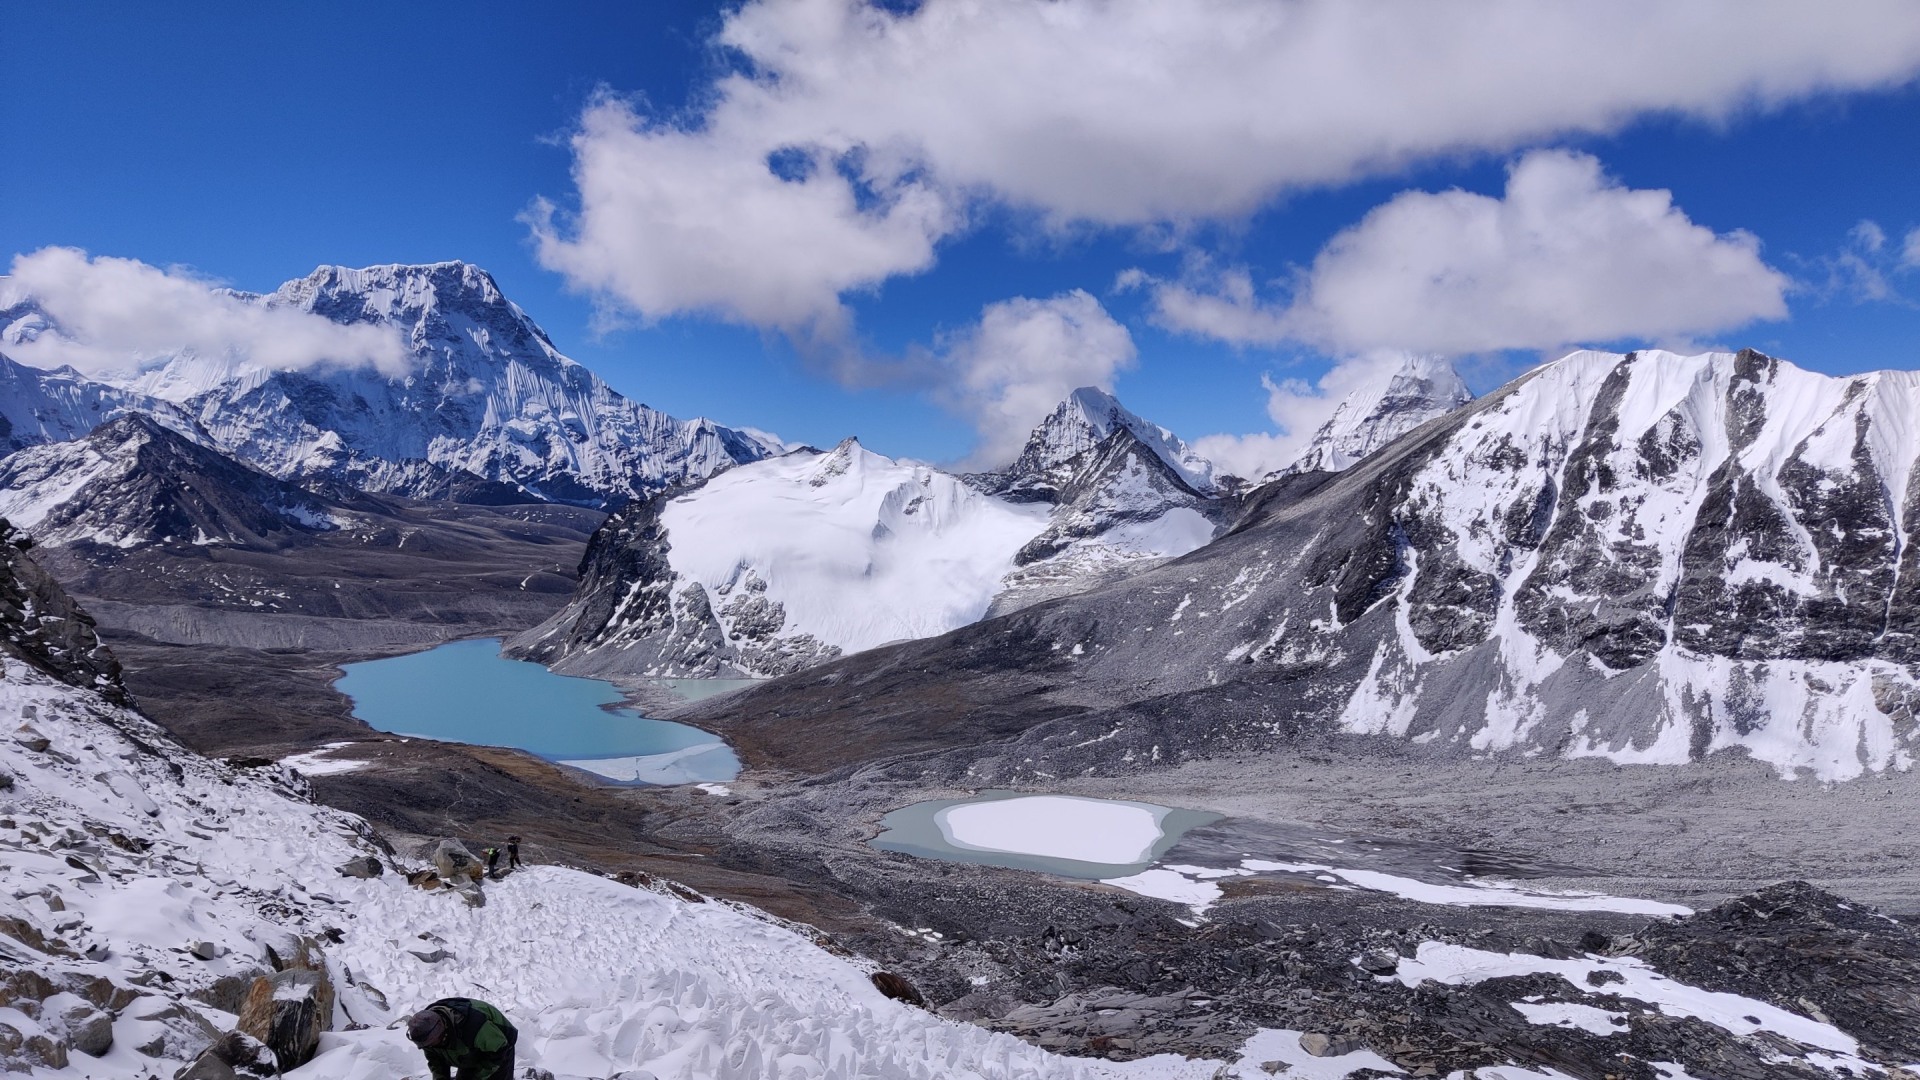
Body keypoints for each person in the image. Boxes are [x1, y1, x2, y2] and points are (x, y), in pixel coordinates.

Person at [405, 997, 516, 1080]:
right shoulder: (424, 1033)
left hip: (499, 1046)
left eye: (431, 1043)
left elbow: (499, 1049)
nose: (428, 1046)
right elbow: (436, 1061)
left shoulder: (474, 1026)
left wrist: (478, 1077)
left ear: (440, 1033)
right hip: (467, 1050)